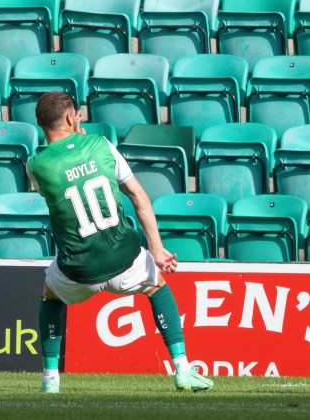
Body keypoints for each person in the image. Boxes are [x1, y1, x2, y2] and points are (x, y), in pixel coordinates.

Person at [27, 91, 213, 394]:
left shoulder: (35, 165)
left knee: (51, 295)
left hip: (79, 269)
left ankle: (50, 379)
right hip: (124, 257)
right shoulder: (101, 144)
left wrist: (74, 145)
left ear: (39, 123)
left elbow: (56, 185)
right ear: (71, 118)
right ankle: (182, 369)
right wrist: (156, 249)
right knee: (157, 286)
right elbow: (138, 196)